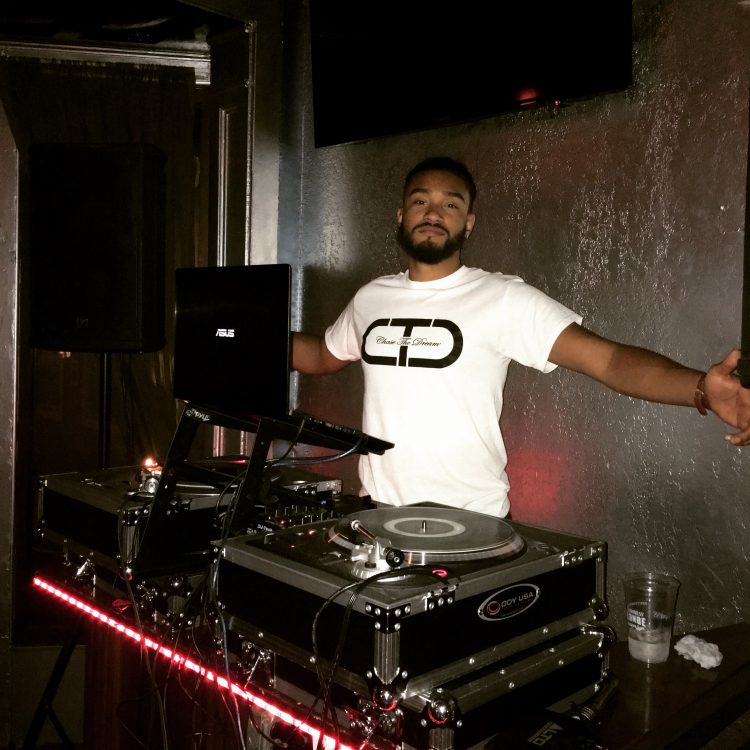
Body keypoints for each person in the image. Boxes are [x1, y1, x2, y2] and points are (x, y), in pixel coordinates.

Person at [292, 156, 750, 518]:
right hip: (378, 519)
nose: (433, 213)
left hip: (472, 525)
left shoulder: (501, 297)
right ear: (400, 215)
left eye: (451, 204)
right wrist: (252, 334)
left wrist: (699, 389)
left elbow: (607, 360)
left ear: (468, 224)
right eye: (420, 201)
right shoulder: (371, 298)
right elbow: (321, 356)